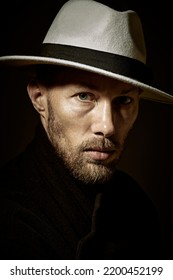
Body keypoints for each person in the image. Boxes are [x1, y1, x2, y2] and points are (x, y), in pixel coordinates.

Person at [0, 0, 173, 260]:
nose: (108, 126)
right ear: (38, 97)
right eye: (84, 96)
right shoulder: (8, 219)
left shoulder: (137, 204)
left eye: (124, 100)